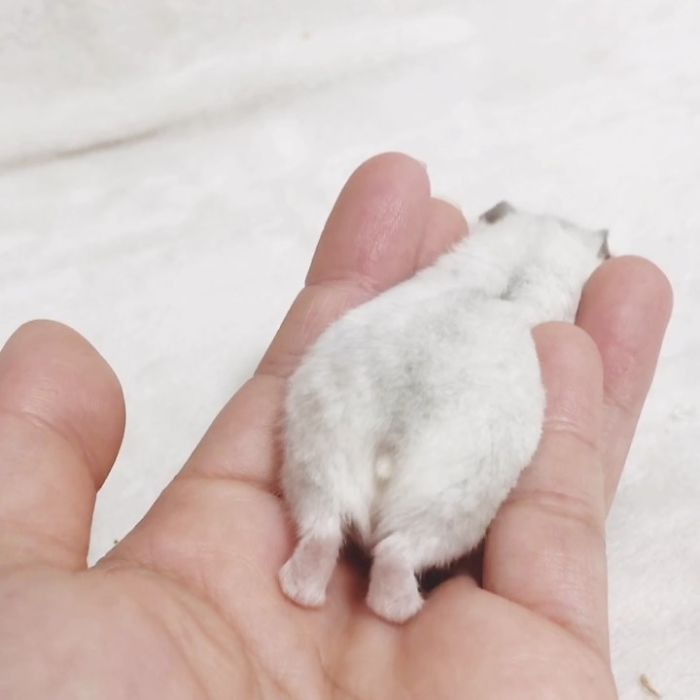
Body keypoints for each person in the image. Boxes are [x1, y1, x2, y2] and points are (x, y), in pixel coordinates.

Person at [0, 154, 671, 698]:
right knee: (484, 442)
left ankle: (317, 533)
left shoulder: (441, 276)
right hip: (492, 362)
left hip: (388, 335)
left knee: (333, 389)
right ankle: (403, 559)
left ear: (489, 229)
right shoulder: (533, 333)